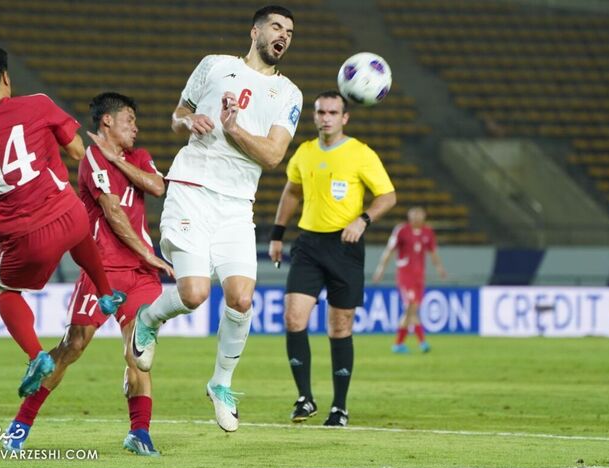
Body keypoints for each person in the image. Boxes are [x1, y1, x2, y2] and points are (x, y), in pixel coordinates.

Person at [129, 5, 302, 433]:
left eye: (290, 31)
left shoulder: (291, 95)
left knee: (243, 299)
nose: (284, 35)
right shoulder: (214, 65)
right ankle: (148, 320)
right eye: (277, 27)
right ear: (255, 32)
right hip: (191, 189)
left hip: (237, 204)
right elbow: (175, 118)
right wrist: (188, 119)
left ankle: (220, 384)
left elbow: (275, 155)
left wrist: (234, 128)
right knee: (193, 294)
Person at [3, 93, 174, 456]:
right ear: (108, 121)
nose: (136, 128)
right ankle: (20, 424)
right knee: (73, 346)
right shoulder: (91, 159)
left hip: (141, 275)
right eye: (130, 119)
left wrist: (120, 161)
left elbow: (159, 187)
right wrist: (147, 252)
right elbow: (113, 211)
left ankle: (139, 433)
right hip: (103, 273)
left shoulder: (139, 158)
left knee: (139, 353)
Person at [0, 44, 125, 398]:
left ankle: (36, 356)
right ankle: (107, 294)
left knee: (5, 291)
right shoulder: (39, 104)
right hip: (68, 211)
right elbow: (77, 150)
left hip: (27, 232)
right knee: (80, 235)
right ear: (5, 75)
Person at [268, 91, 397, 426]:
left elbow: (388, 195)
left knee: (339, 327)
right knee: (294, 318)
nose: (326, 118)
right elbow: (292, 191)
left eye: (333, 112)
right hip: (308, 243)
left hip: (345, 246)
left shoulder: (361, 154)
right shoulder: (305, 153)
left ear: (345, 118)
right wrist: (277, 234)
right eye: (321, 112)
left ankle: (339, 406)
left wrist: (363, 220)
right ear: (314, 116)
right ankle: (304, 398)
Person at [372, 206, 447, 353]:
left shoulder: (428, 232)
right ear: (409, 216)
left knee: (411, 310)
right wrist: (380, 269)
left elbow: (433, 252)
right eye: (414, 215)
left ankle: (399, 344)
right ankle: (422, 341)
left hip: (420, 277)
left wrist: (439, 268)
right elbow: (389, 250)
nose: (417, 217)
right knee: (410, 307)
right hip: (405, 276)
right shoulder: (402, 230)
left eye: (420, 214)